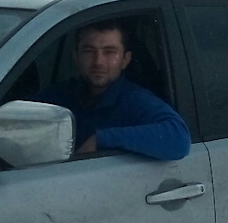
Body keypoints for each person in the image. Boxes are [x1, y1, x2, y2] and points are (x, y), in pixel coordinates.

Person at [42, 19, 190, 160]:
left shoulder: (134, 100)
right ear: (76, 57)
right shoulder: (61, 96)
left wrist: (101, 139)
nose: (98, 62)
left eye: (109, 52)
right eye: (89, 51)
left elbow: (179, 139)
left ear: (125, 60)